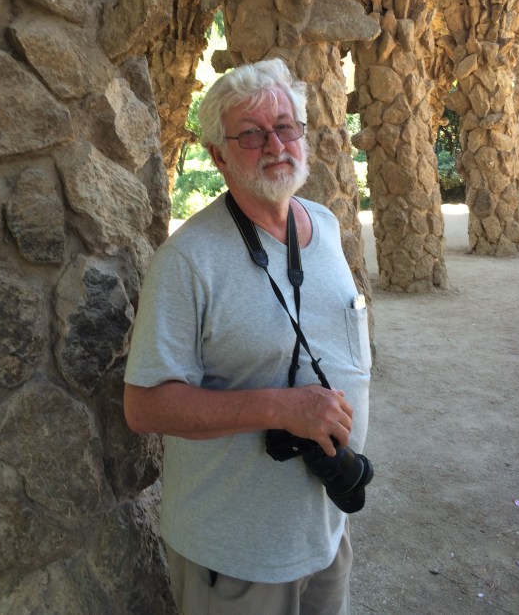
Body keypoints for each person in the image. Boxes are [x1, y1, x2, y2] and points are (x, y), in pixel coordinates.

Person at [123, 58, 371, 615]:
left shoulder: (325, 225)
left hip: (324, 529)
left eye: (286, 127)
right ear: (218, 155)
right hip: (236, 554)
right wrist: (282, 409)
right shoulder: (186, 261)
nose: (276, 145)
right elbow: (144, 407)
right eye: (252, 134)